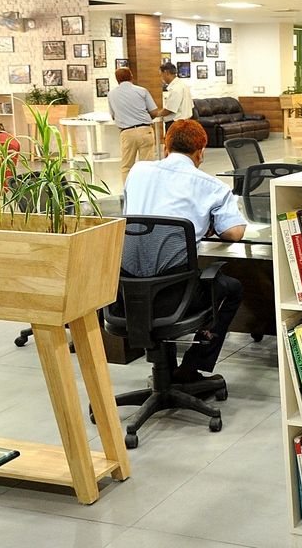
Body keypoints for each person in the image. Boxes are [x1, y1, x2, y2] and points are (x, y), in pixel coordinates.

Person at [123, 119, 247, 384]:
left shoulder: (137, 171)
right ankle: (192, 366)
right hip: (176, 298)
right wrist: (208, 222)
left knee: (168, 275)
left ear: (166, 147)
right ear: (201, 152)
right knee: (231, 288)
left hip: (126, 294)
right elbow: (235, 233)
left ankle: (165, 371)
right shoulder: (212, 186)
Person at [107, 67, 160, 182]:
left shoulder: (111, 94)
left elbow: (113, 116)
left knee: (127, 166)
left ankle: (128, 191)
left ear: (117, 80)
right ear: (131, 77)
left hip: (127, 133)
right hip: (145, 130)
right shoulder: (142, 91)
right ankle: (146, 190)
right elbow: (154, 112)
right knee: (147, 166)